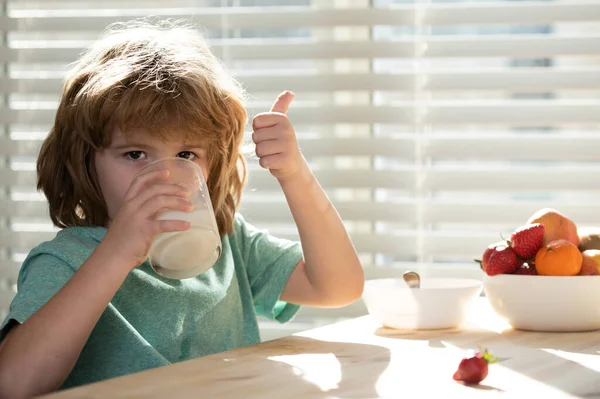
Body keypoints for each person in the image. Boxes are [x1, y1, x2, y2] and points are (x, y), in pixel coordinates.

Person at [0, 19, 364, 398]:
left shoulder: (227, 243)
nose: (166, 176)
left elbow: (338, 287)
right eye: (135, 154)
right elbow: (14, 383)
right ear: (85, 160)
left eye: (187, 154)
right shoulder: (66, 261)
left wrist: (294, 175)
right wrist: (116, 253)